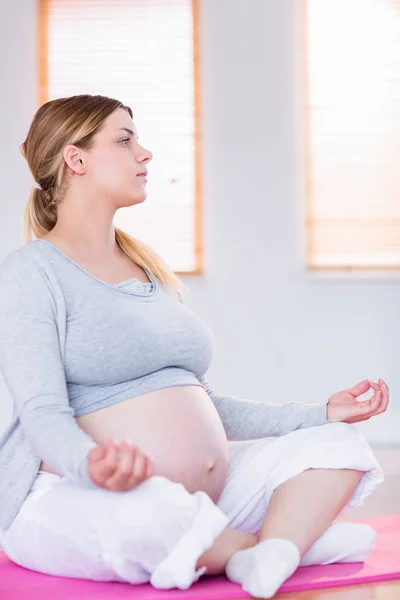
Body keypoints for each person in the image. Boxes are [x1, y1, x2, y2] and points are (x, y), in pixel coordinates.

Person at [0, 94, 388, 599]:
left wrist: (317, 414)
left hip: (200, 497)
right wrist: (92, 465)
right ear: (77, 159)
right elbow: (42, 412)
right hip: (76, 494)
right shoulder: (33, 272)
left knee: (338, 446)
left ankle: (254, 548)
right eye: (125, 140)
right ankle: (280, 543)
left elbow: (202, 404)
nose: (145, 154)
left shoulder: (147, 270)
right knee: (145, 519)